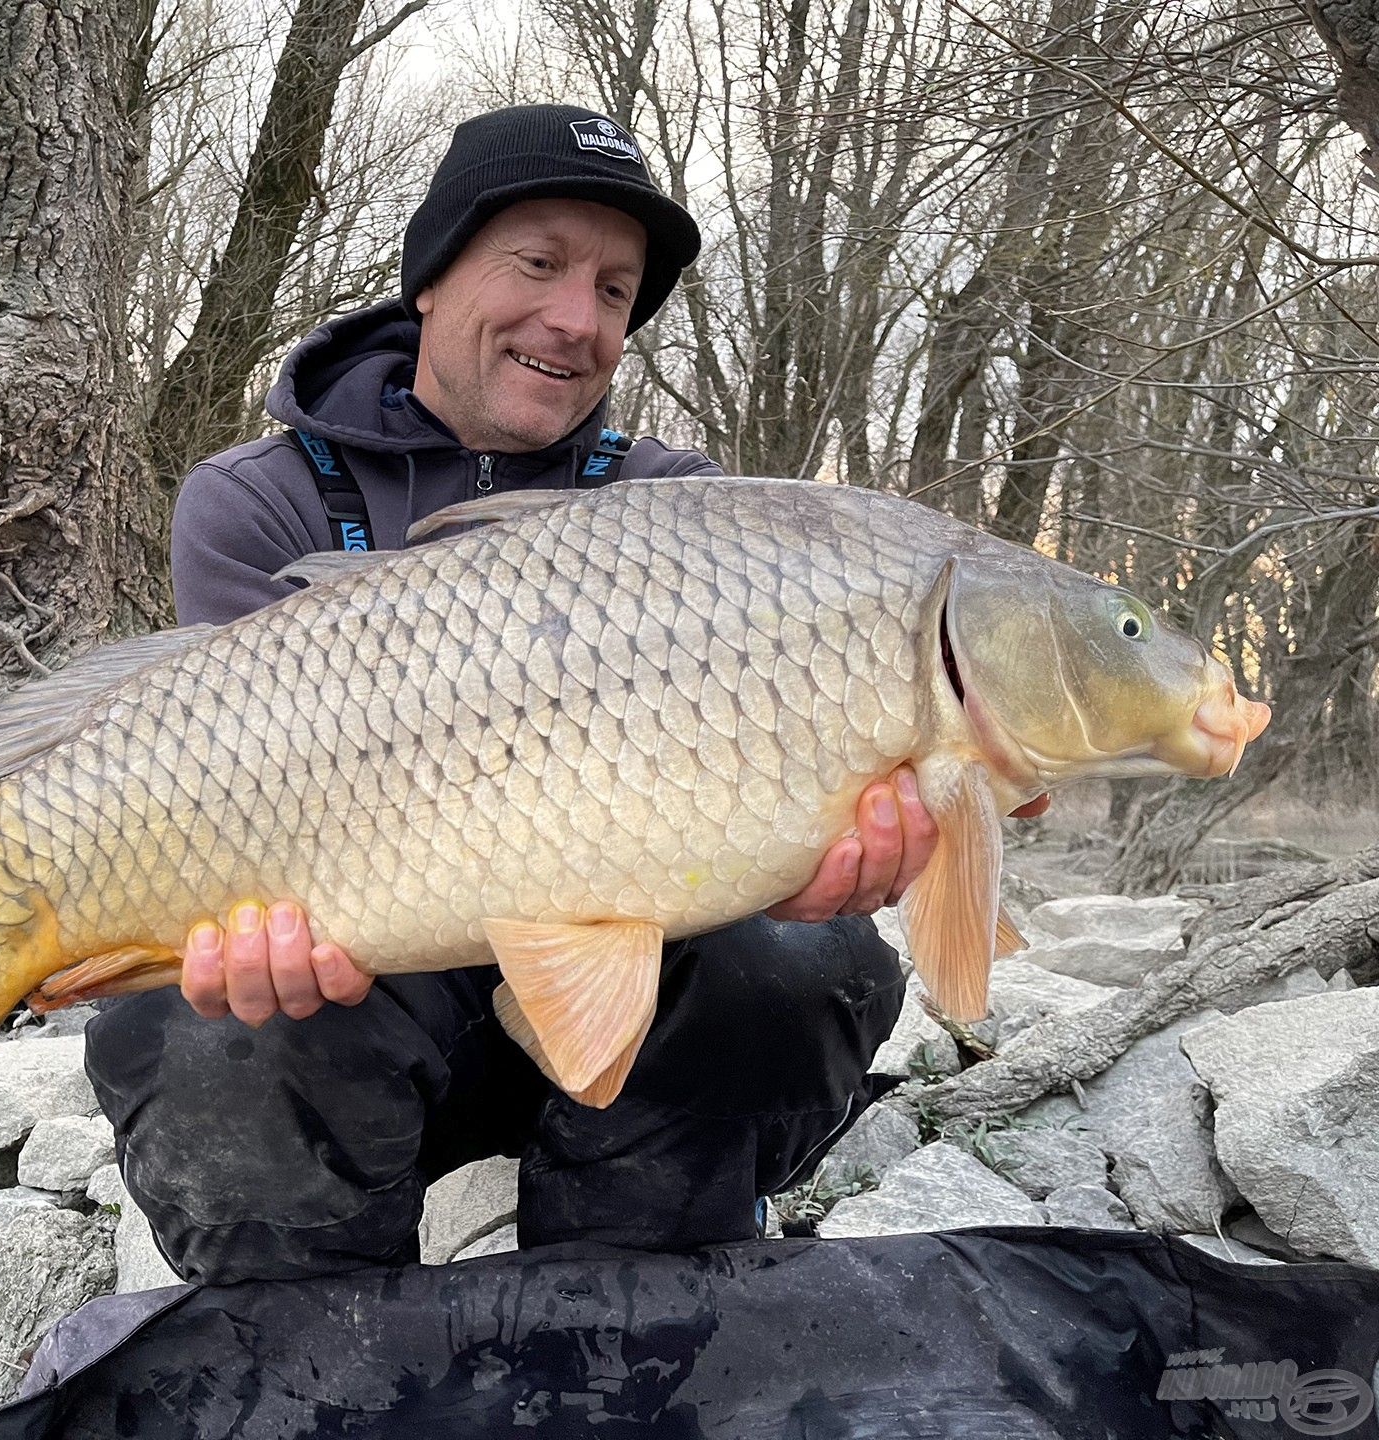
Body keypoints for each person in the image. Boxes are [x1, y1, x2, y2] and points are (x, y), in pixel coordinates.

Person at [84, 103, 1042, 1284]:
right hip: (374, 1024)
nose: (575, 319)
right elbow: (220, 804)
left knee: (811, 960)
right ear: (431, 277)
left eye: (614, 288)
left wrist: (832, 854)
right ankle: (318, 1336)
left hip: (625, 1033)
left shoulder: (684, 509)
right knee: (206, 1019)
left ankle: (632, 1303)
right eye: (537, 264)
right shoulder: (257, 500)